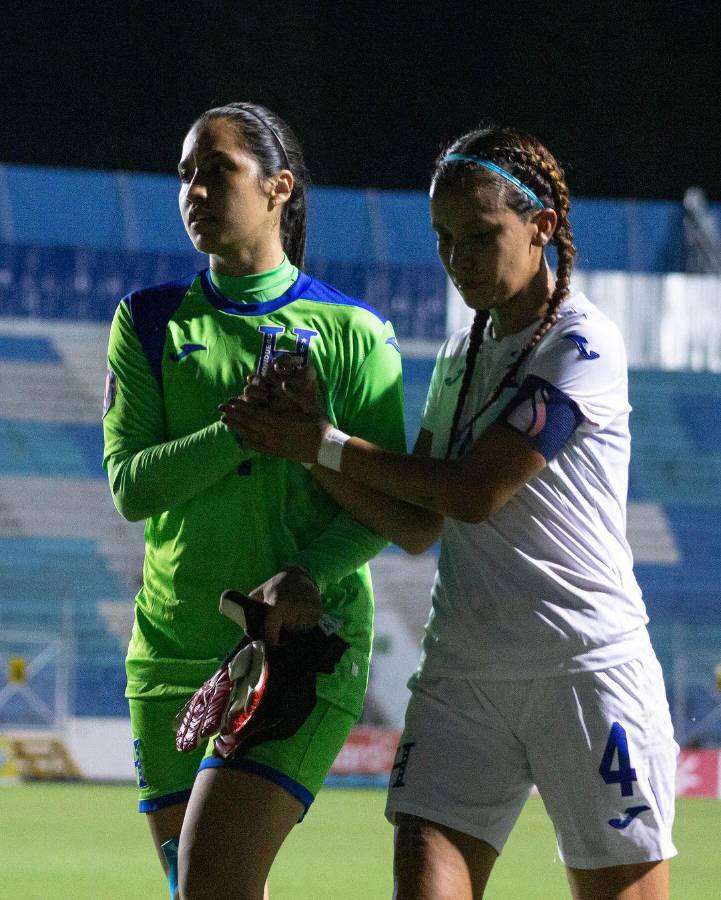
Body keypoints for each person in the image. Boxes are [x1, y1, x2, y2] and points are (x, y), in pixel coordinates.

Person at [223, 125, 679, 900]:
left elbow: (471, 491)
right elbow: (417, 520)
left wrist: (324, 440)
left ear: (540, 227)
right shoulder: (459, 354)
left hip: (584, 668)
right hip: (463, 673)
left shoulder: (582, 344)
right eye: (442, 238)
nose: (458, 257)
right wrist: (303, 447)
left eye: (479, 235)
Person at [101, 101, 407, 900]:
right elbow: (131, 487)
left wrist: (307, 570)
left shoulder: (353, 331)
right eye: (185, 175)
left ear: (277, 187)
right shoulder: (149, 321)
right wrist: (240, 431)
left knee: (210, 882)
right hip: (170, 651)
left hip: (299, 649)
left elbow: (385, 504)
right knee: (199, 887)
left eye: (216, 171)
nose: (194, 191)